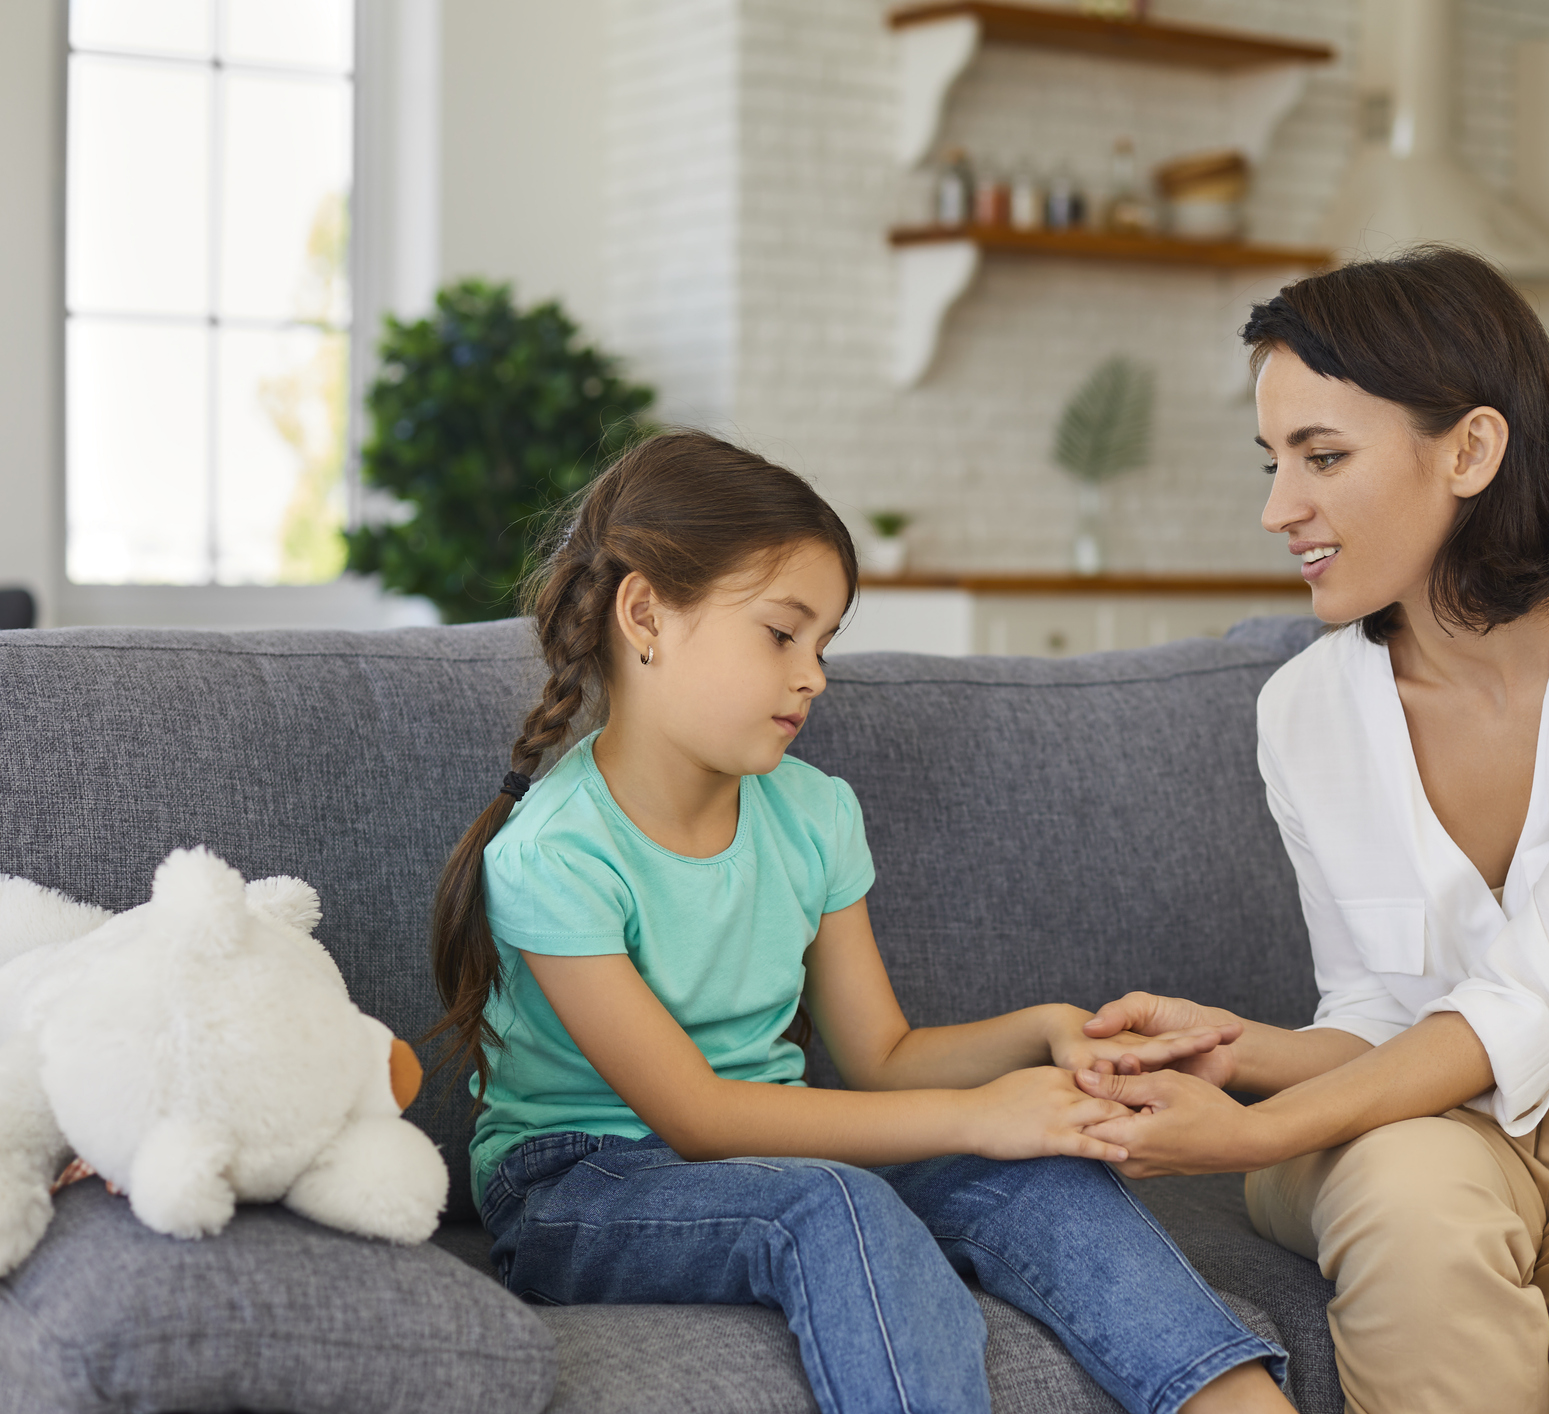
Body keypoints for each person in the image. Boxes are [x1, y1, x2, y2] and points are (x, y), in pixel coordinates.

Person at [1069, 248, 1549, 1413]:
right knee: (1417, 1222)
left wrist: (1244, 1137)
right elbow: (1378, 1016)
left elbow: (1541, 992)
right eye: (1273, 463)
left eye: (1322, 457)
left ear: (1470, 449)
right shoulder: (1303, 711)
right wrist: (1241, 1052)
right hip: (1415, 1121)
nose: (1278, 510)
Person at [426, 430, 1291, 1414]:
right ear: (645, 614)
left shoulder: (814, 813)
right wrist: (979, 1112)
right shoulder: (556, 855)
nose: (815, 677)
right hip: (581, 1185)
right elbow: (698, 1117)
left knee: (1047, 1174)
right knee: (833, 1204)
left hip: (777, 1154)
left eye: (824, 644)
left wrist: (1046, 1030)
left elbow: (883, 1053)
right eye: (781, 633)